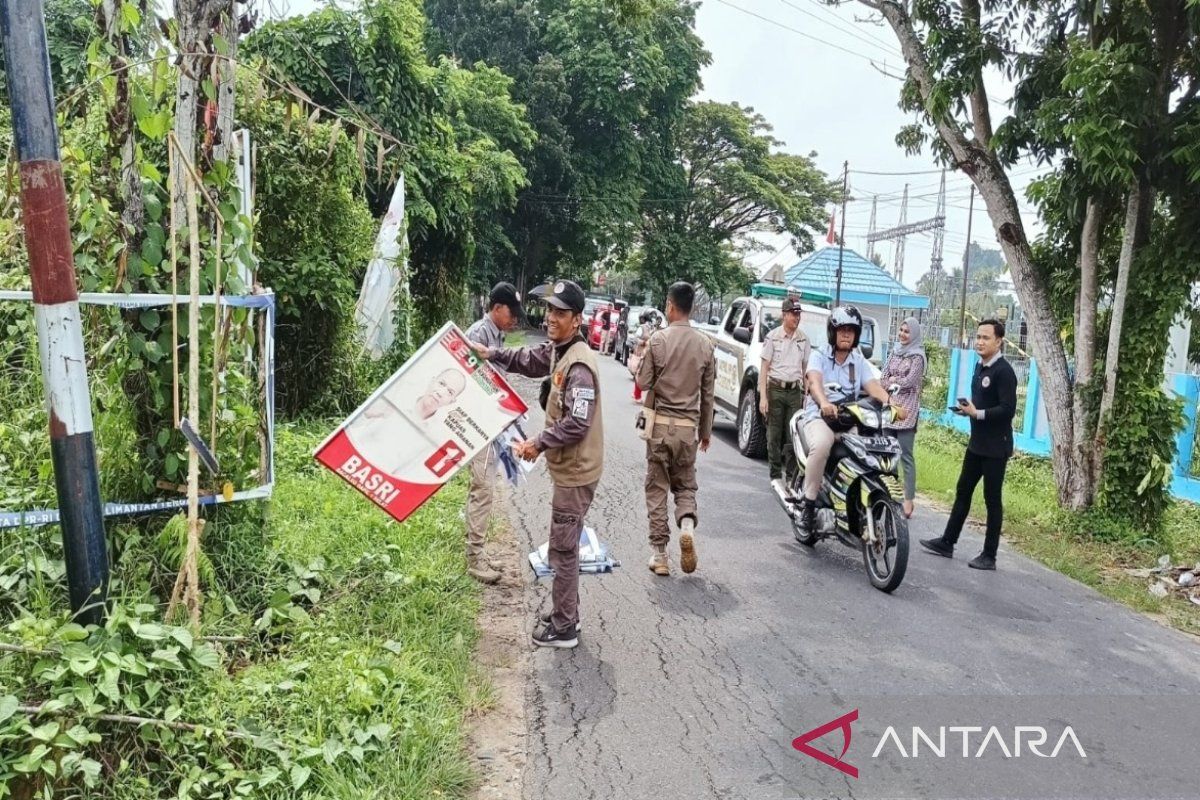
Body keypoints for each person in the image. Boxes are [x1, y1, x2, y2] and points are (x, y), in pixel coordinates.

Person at [471, 279, 602, 648]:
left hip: (577, 471)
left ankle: (564, 629)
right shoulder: (561, 350)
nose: (551, 318)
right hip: (570, 468)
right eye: (550, 311)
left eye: (560, 313)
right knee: (565, 542)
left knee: (562, 547)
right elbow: (528, 360)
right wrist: (491, 354)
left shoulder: (579, 367)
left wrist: (537, 443)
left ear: (576, 319)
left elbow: (578, 422)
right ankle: (566, 612)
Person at [920, 319, 1017, 570]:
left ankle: (989, 555)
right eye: (978, 337)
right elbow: (980, 405)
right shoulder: (980, 367)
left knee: (991, 500)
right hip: (977, 444)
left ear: (999, 342)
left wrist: (978, 414)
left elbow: (1007, 410)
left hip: (996, 447)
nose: (980, 342)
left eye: (986, 338)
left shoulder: (1004, 372)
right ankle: (947, 542)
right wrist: (968, 411)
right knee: (963, 491)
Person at [798, 306, 905, 532]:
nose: (846, 334)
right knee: (821, 445)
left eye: (851, 331)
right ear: (832, 332)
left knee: (867, 451)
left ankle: (854, 500)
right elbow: (814, 382)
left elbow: (873, 387)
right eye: (842, 330)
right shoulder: (819, 356)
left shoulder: (858, 361)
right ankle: (808, 504)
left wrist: (892, 404)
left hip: (849, 420)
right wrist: (824, 402)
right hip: (820, 417)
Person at [636, 282, 716, 576]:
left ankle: (659, 555)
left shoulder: (658, 340)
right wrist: (705, 433)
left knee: (657, 488)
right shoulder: (706, 345)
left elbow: (643, 382)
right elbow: (708, 396)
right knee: (685, 485)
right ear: (691, 307)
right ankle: (686, 526)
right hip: (687, 431)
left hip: (659, 429)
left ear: (670, 305)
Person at [462, 282, 522, 584]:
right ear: (497, 308)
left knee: (485, 488)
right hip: (477, 424)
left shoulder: (495, 336)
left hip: (490, 425)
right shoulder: (477, 335)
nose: (515, 320)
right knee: (482, 488)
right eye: (511, 313)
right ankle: (474, 558)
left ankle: (479, 550)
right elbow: (471, 384)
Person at [759, 296, 811, 495]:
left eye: (798, 315)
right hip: (775, 389)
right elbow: (764, 368)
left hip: (794, 391)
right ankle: (774, 475)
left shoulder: (804, 339)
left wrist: (807, 394)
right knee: (773, 434)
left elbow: (805, 368)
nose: (796, 318)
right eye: (793, 314)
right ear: (784, 315)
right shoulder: (773, 337)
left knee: (793, 436)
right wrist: (763, 397)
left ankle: (790, 477)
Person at [880, 318, 927, 518]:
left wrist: (892, 379)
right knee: (886, 454)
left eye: (907, 331)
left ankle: (908, 500)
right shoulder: (895, 351)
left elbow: (910, 381)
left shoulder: (918, 356)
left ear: (914, 334)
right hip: (889, 406)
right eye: (901, 330)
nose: (903, 334)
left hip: (907, 411)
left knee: (905, 456)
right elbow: (881, 379)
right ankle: (888, 492)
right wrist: (890, 382)